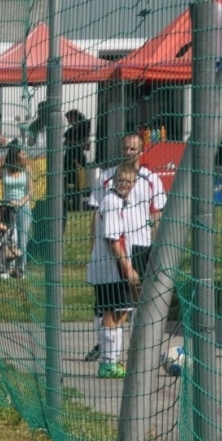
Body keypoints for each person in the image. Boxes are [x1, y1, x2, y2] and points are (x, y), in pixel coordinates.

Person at [85, 132, 164, 360]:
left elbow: (156, 214)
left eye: (133, 149)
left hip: (140, 245)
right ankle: (105, 349)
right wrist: (93, 245)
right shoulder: (108, 177)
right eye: (125, 148)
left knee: (140, 299)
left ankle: (141, 348)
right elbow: (96, 213)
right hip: (115, 247)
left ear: (141, 150)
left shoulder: (151, 179)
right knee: (110, 302)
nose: (128, 152)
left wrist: (156, 246)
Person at [87, 161, 150, 378]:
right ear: (114, 181)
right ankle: (108, 363)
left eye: (128, 182)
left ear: (135, 183)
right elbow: (113, 240)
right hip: (112, 269)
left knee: (121, 311)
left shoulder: (122, 202)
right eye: (121, 181)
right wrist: (128, 268)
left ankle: (111, 360)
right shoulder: (112, 202)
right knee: (114, 312)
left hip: (113, 268)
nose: (125, 185)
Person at [0, 144, 34, 277]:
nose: (25, 156)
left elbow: (30, 192)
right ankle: (9, 268)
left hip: (23, 208)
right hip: (7, 209)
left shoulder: (27, 169)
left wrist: (20, 202)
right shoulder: (3, 170)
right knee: (11, 238)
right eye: (22, 154)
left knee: (22, 239)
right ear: (15, 156)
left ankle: (21, 269)